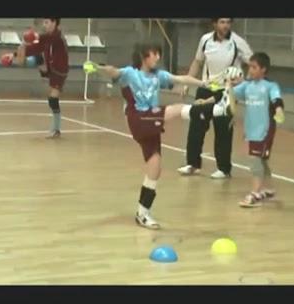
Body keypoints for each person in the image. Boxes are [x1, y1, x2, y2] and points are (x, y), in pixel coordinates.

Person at [84, 43, 233, 230]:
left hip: (151, 121)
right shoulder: (131, 73)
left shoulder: (159, 76)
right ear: (143, 56)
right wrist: (96, 67)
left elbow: (182, 78)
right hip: (139, 118)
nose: (157, 58)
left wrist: (204, 84)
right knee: (177, 109)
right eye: (154, 54)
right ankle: (219, 110)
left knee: (155, 168)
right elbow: (113, 71)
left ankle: (143, 213)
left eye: (158, 54)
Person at [178, 18, 254, 179]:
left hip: (226, 92)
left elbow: (253, 64)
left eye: (228, 22)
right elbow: (197, 62)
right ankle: (193, 164)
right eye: (221, 22)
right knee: (196, 128)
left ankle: (224, 169)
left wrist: (242, 85)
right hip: (206, 88)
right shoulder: (205, 40)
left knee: (223, 131)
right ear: (214, 24)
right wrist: (187, 82)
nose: (225, 25)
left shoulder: (238, 42)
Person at [227, 52, 285, 207]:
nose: (250, 70)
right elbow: (232, 95)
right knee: (262, 160)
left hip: (264, 131)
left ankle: (255, 193)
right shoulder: (247, 86)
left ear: (263, 69)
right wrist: (229, 84)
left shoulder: (271, 86)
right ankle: (270, 189)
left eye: (254, 67)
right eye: (249, 67)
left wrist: (279, 110)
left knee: (255, 161)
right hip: (251, 130)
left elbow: (277, 100)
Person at [4, 18, 69, 139]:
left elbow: (46, 39)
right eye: (44, 22)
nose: (44, 25)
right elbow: (33, 48)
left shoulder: (58, 37)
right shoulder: (47, 38)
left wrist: (33, 35)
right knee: (30, 58)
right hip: (48, 66)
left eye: (47, 22)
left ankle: (56, 130)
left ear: (54, 23)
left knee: (53, 99)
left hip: (59, 72)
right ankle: (23, 60)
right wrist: (13, 54)